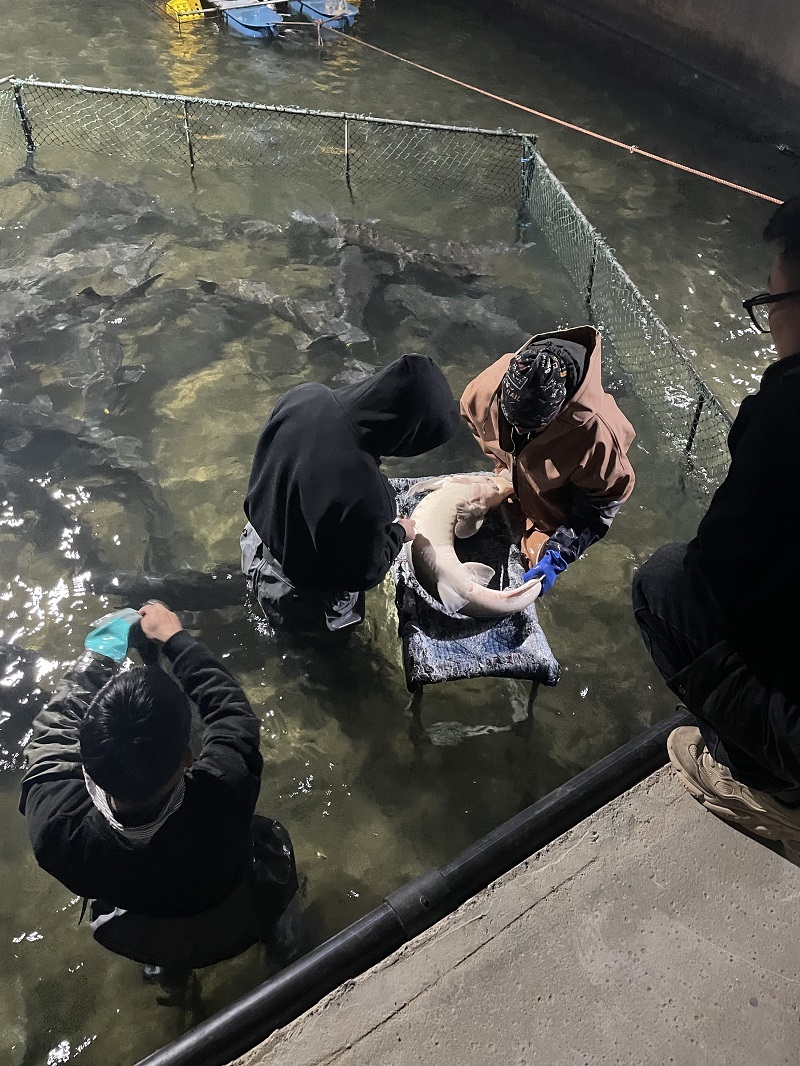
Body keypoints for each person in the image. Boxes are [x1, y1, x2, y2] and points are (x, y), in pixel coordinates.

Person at [633, 194, 800, 848]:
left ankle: (768, 786)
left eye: (773, 301)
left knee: (663, 581)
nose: (772, 319)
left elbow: (713, 576)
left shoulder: (788, 413)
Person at [19, 602, 298, 973]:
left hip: (144, 933)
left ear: (87, 760)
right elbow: (231, 711)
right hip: (235, 912)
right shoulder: (224, 792)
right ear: (187, 758)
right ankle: (283, 946)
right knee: (271, 861)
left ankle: (169, 977)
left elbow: (53, 734)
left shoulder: (55, 828)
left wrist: (101, 653)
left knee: (160, 947)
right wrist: (176, 640)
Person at [242, 354, 460, 636]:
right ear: (408, 432)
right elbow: (363, 574)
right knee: (322, 655)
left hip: (255, 544)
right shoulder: (366, 491)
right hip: (302, 597)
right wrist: (398, 534)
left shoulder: (306, 395)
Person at [460, 326, 635, 593]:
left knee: (531, 572)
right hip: (515, 478)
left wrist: (559, 552)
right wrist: (505, 470)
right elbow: (471, 415)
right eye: (513, 422)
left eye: (531, 427)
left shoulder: (600, 436)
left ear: (558, 411)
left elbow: (600, 506)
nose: (518, 431)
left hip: (553, 516)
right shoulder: (488, 385)